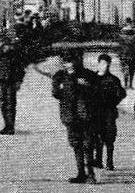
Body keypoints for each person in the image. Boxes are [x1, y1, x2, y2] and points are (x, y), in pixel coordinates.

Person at [52, 51, 97, 184]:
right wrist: (73, 83)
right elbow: (56, 93)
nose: (69, 64)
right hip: (70, 115)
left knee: (87, 144)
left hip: (85, 115)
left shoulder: (87, 74)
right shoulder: (59, 76)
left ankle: (90, 174)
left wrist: (83, 85)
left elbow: (96, 90)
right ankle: (81, 173)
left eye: (71, 61)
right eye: (66, 62)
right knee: (76, 144)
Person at [89, 53, 126, 171]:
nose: (105, 66)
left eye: (107, 64)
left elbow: (121, 93)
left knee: (109, 137)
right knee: (96, 137)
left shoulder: (113, 79)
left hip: (109, 112)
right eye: (103, 63)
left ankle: (109, 162)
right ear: (99, 64)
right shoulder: (92, 78)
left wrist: (113, 102)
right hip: (95, 112)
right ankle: (98, 160)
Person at [0, 32, 26, 134]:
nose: (5, 48)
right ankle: (7, 126)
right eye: (4, 46)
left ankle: (10, 127)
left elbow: (21, 69)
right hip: (2, 80)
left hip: (11, 80)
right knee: (3, 103)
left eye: (6, 46)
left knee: (10, 103)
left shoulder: (16, 55)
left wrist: (19, 81)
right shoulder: (1, 53)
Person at [119, 19, 135, 89]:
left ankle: (125, 85)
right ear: (130, 23)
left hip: (124, 55)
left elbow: (119, 47)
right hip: (132, 55)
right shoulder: (134, 36)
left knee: (125, 70)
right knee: (132, 70)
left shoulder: (121, 35)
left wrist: (120, 55)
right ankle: (130, 85)